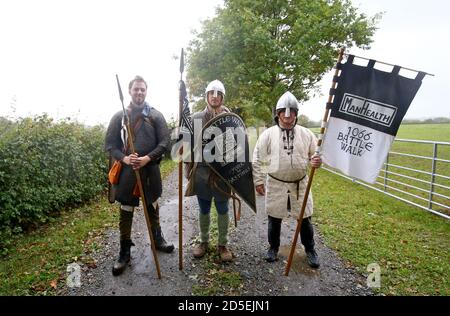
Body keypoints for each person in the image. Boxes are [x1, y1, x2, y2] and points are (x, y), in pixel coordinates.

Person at [105, 75, 174, 276]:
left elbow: (164, 143)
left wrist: (147, 158)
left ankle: (157, 239)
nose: (139, 92)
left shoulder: (156, 115)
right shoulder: (120, 117)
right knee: (126, 208)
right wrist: (125, 159)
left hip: (150, 170)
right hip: (128, 173)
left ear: (146, 91)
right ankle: (124, 251)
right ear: (130, 91)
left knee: (152, 204)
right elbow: (111, 145)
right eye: (136, 89)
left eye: (142, 89)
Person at [252, 91, 322, 268]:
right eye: (284, 111)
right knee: (274, 219)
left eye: (292, 112)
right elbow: (257, 157)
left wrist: (317, 160)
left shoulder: (306, 134)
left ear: (296, 114)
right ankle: (273, 248)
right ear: (278, 113)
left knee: (305, 220)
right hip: (276, 183)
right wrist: (258, 181)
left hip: (300, 183)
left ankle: (310, 249)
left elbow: (316, 154)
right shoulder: (268, 135)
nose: (288, 116)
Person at [185, 79, 234, 262]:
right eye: (211, 94)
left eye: (218, 94)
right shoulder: (196, 118)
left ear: (222, 97)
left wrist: (236, 174)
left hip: (222, 173)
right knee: (204, 207)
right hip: (202, 171)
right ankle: (204, 241)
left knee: (222, 208)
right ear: (206, 96)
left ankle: (222, 244)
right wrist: (188, 168)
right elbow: (187, 145)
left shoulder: (231, 119)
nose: (214, 97)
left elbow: (238, 149)